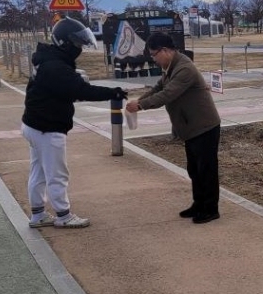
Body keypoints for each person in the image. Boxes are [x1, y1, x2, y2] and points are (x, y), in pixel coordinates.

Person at [21, 17, 127, 229]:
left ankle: (38, 214)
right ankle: (63, 215)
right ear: (65, 42)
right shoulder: (55, 67)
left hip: (33, 125)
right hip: (48, 128)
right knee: (57, 173)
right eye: (77, 43)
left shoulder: (47, 60)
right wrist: (112, 92)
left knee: (39, 171)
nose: (79, 48)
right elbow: (81, 90)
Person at [126, 32, 222, 223]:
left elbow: (168, 94)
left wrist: (141, 106)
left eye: (154, 55)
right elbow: (158, 88)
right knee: (194, 169)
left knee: (206, 169)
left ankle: (211, 208)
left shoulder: (184, 68)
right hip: (191, 127)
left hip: (204, 126)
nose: (153, 59)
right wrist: (140, 100)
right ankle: (199, 203)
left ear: (165, 51)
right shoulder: (170, 66)